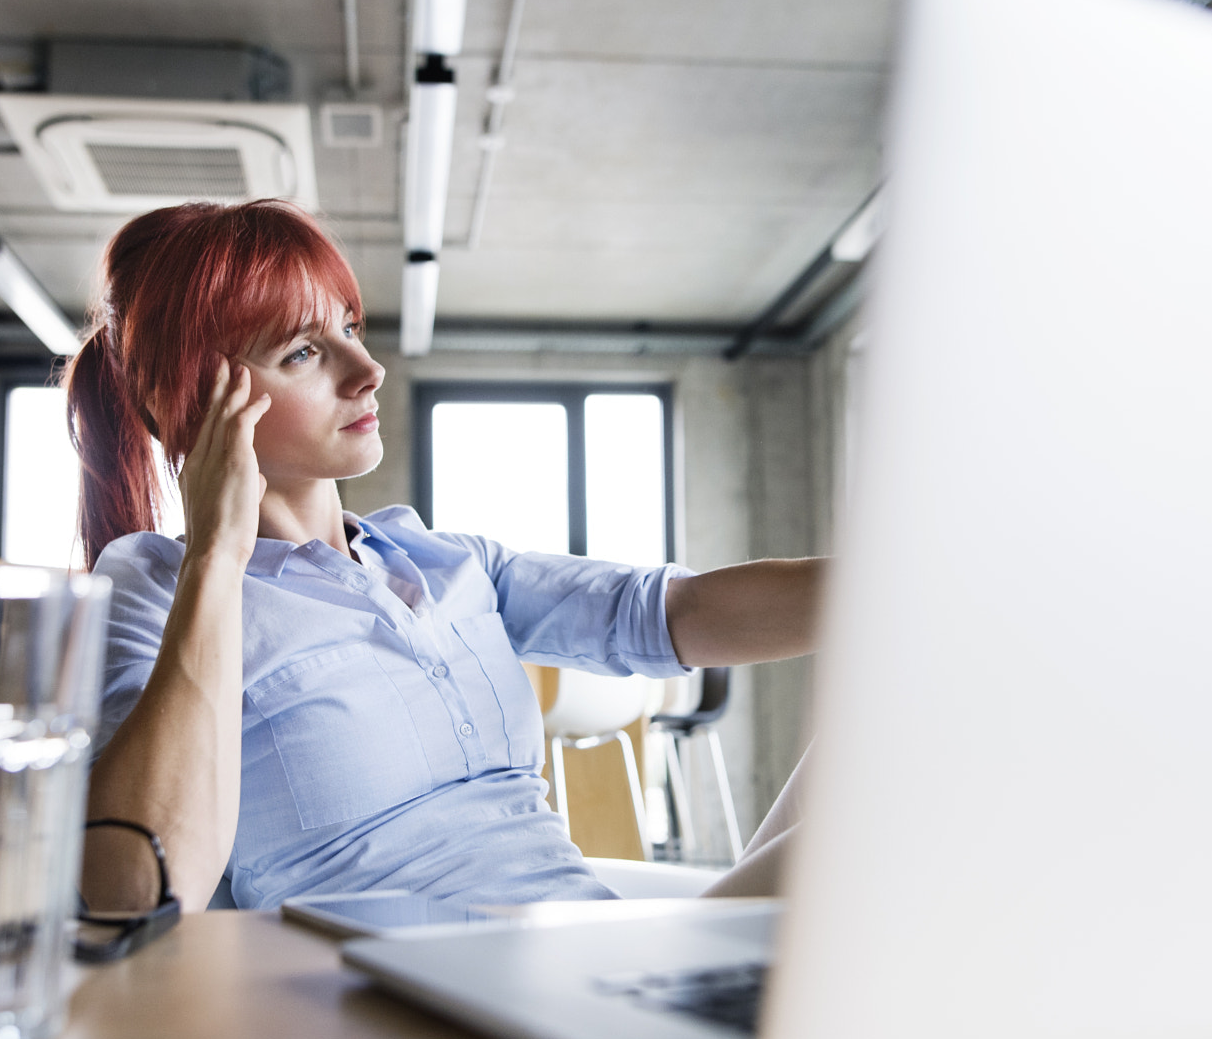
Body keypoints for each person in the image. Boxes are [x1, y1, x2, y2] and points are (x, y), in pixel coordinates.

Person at [68, 199, 823, 911]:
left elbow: (674, 612)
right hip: (414, 1010)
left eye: (350, 329)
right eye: (302, 351)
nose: (366, 371)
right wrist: (216, 559)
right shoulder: (154, 588)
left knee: (904, 728)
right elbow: (137, 889)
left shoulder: (443, 561)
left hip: (594, 957)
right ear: (191, 404)